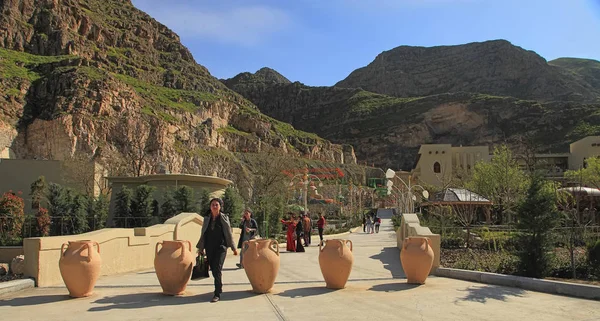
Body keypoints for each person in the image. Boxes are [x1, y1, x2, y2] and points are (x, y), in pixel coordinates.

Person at [196, 198, 238, 303]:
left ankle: (217, 293)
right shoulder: (207, 219)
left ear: (220, 207)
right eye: (213, 205)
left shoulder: (224, 218)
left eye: (216, 205)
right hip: (209, 247)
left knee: (217, 268)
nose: (214, 206)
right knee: (213, 269)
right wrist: (201, 249)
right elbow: (203, 234)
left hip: (221, 247)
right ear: (210, 207)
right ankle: (219, 286)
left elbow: (228, 233)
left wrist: (233, 247)